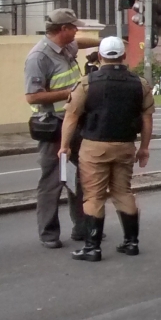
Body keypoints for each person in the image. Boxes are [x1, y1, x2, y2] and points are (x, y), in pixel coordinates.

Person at [59, 36, 154, 262]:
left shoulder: (87, 83)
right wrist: (144, 148)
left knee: (94, 196)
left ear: (100, 56)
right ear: (123, 56)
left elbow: (71, 117)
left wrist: (64, 146)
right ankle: (131, 243)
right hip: (125, 146)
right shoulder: (139, 84)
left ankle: (92, 247)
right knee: (123, 192)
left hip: (94, 146)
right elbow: (147, 120)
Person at [23, 8, 97, 249]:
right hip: (53, 125)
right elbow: (32, 97)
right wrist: (74, 92)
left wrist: (104, 43)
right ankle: (49, 233)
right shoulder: (39, 57)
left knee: (82, 176)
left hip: (75, 121)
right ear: (63, 29)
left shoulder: (66, 47)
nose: (77, 30)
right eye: (74, 27)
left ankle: (82, 227)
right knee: (52, 180)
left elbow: (81, 42)